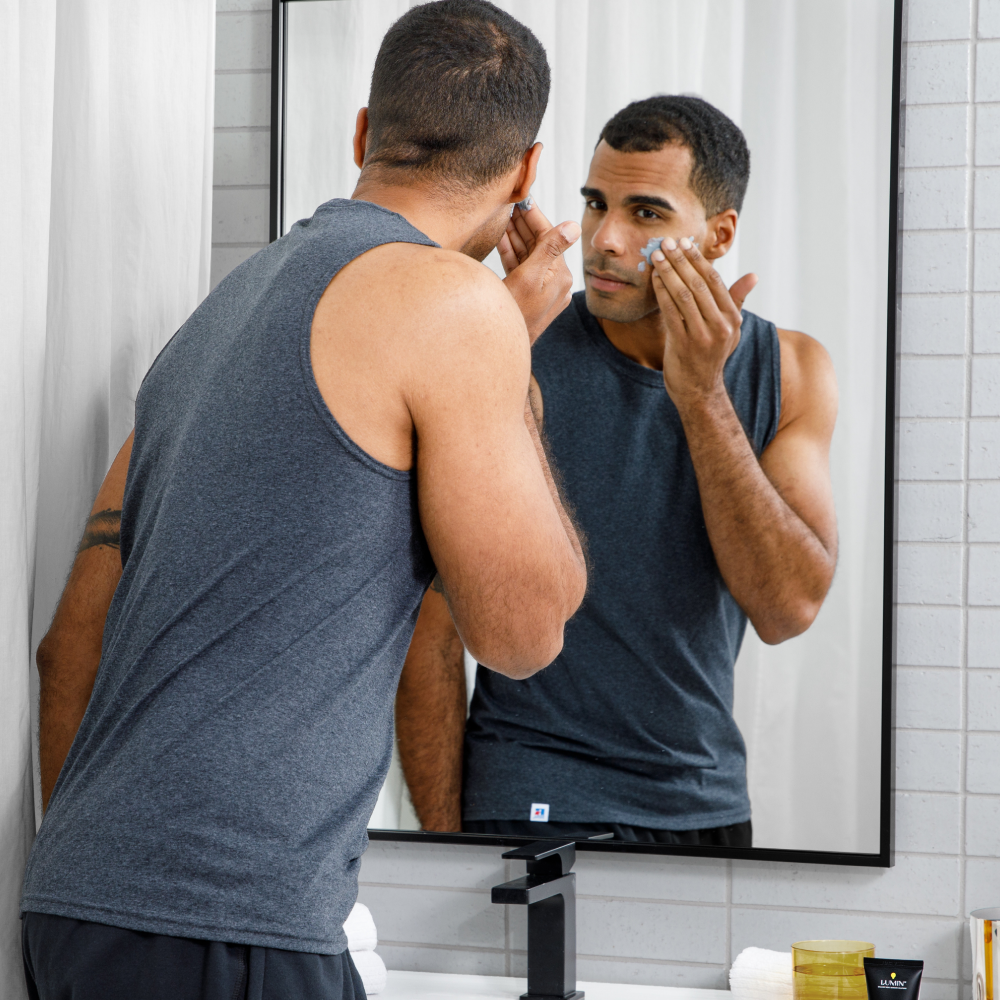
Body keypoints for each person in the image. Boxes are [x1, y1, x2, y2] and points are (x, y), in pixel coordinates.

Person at [20, 3, 588, 997]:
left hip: (78, 905)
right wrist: (506, 339)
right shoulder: (454, 306)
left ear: (363, 133)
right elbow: (521, 632)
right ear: (528, 172)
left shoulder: (209, 323)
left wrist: (128, 885)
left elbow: (68, 644)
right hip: (229, 920)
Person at [397, 95, 839, 845]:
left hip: (701, 805)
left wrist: (701, 396)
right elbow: (427, 627)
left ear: (718, 234)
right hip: (528, 792)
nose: (605, 239)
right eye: (597, 203)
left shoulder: (790, 369)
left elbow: (787, 608)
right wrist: (444, 841)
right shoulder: (519, 347)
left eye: (647, 214)